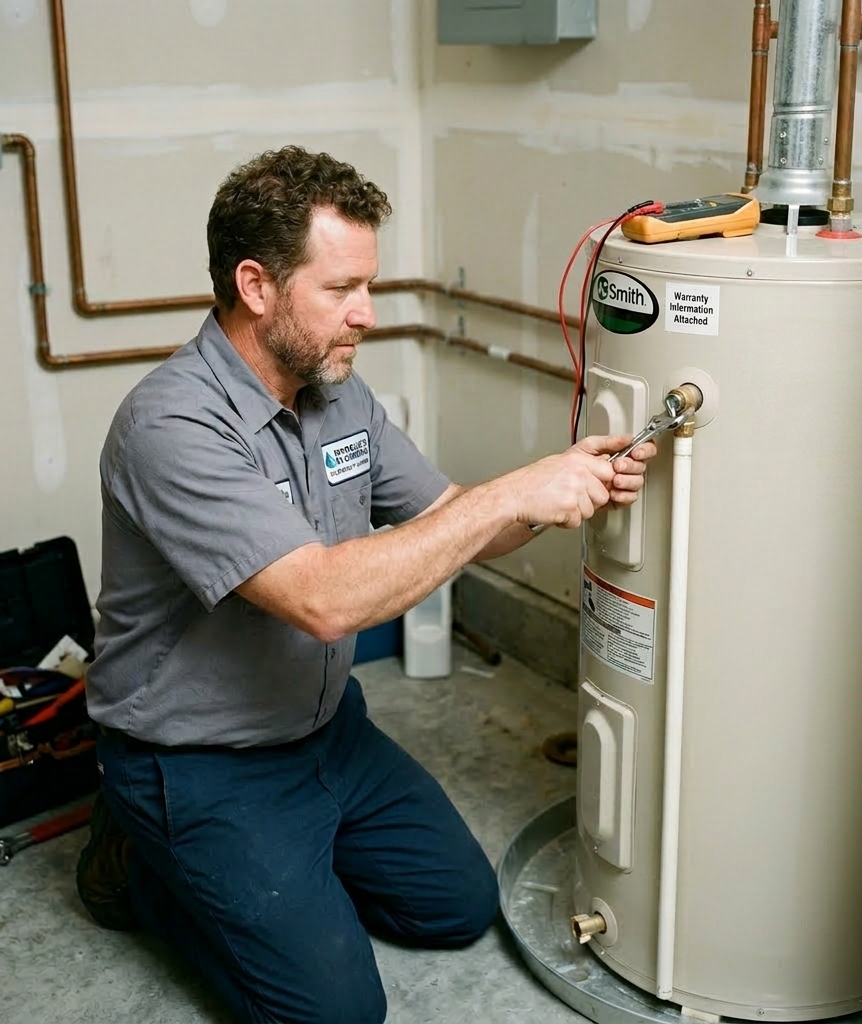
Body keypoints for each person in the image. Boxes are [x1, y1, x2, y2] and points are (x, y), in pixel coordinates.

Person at [76, 145, 656, 1024]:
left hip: (324, 733)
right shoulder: (173, 425)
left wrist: (553, 490)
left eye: (369, 285)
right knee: (339, 1015)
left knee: (457, 907)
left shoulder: (335, 394)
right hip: (198, 763)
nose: (367, 314)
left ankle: (275, 870)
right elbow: (323, 600)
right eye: (341, 288)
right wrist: (508, 494)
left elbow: (455, 519)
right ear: (257, 286)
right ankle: (145, 870)